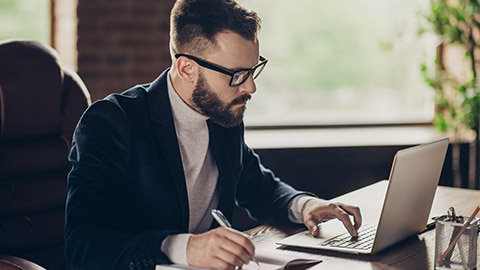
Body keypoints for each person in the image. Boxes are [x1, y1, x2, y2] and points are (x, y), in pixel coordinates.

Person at [64, 0, 362, 269]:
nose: (250, 87)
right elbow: (84, 245)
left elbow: (258, 187)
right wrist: (183, 247)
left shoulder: (222, 113)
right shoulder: (111, 123)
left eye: (252, 70)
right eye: (236, 75)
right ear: (187, 68)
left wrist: (305, 206)